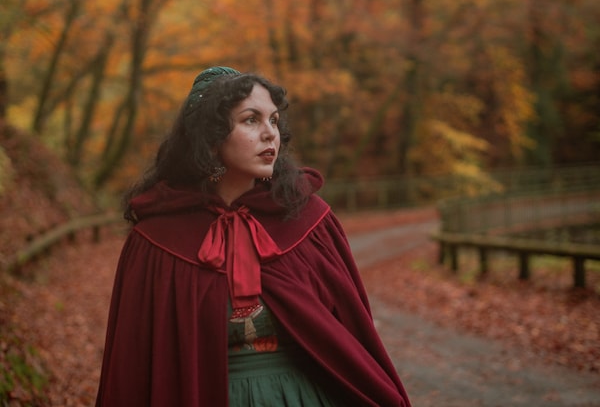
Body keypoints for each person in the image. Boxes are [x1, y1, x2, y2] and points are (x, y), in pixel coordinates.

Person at [96, 66, 412, 406]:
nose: (269, 134)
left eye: (274, 121)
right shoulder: (156, 239)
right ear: (212, 137)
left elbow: (353, 338)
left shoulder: (311, 221)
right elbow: (133, 365)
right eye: (251, 120)